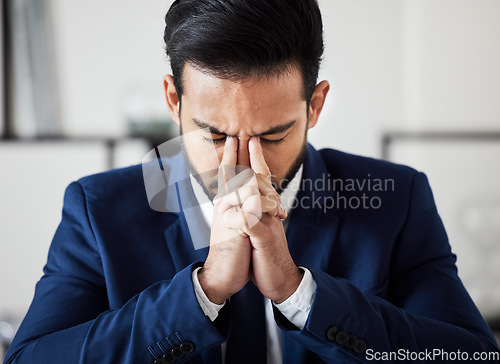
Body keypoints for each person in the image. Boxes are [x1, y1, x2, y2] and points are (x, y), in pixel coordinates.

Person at [4, 0, 500, 363]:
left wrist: (299, 294)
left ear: (316, 106)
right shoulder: (98, 209)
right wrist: (204, 289)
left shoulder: (397, 199)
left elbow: (469, 357)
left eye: (274, 135)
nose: (242, 165)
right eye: (214, 135)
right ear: (174, 103)